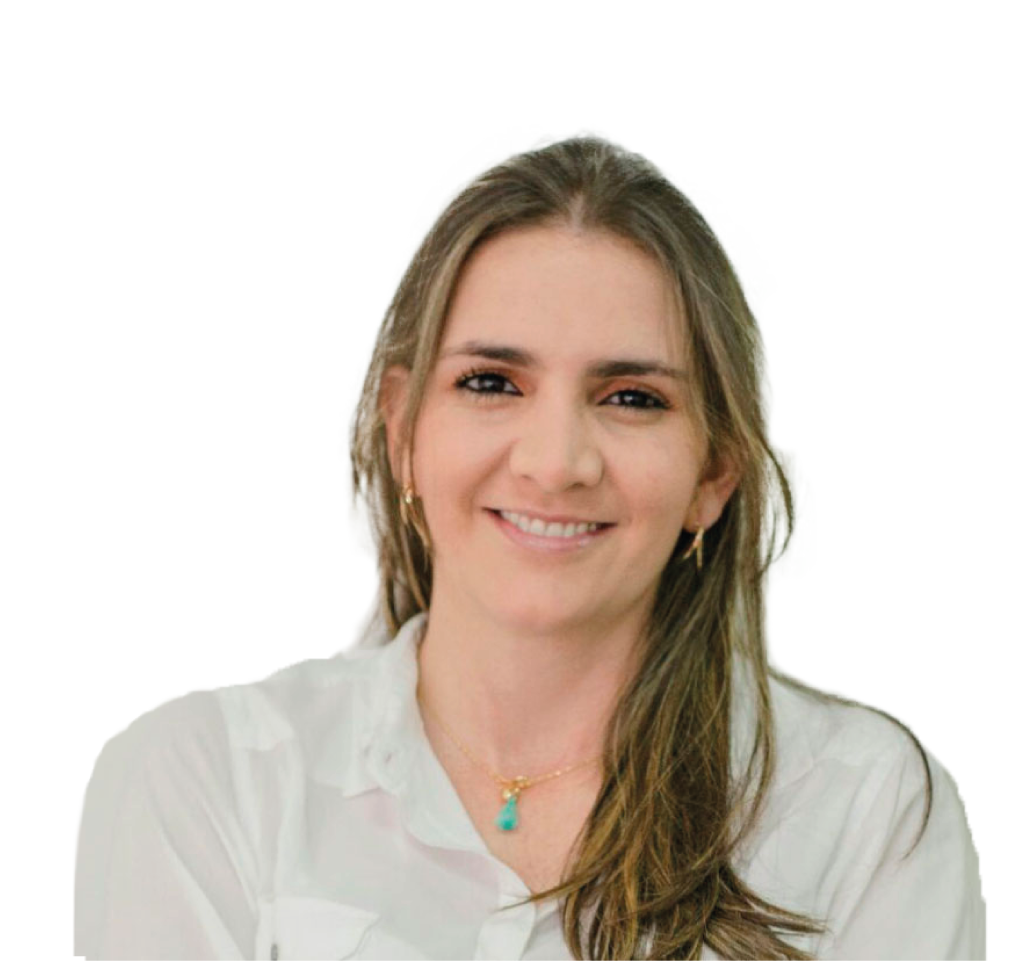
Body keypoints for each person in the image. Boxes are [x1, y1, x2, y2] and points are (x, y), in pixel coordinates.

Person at [73, 132, 984, 960]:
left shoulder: (863, 808)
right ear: (403, 430)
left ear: (715, 472)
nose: (555, 463)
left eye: (632, 398)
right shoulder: (207, 777)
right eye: (492, 382)